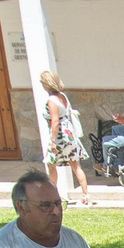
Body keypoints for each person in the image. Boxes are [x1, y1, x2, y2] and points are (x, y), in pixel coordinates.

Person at [40, 71, 92, 206]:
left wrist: (52, 142)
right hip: (69, 133)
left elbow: (55, 121)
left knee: (51, 165)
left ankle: (53, 195)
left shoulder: (52, 100)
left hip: (60, 136)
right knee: (75, 164)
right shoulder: (63, 97)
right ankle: (86, 194)